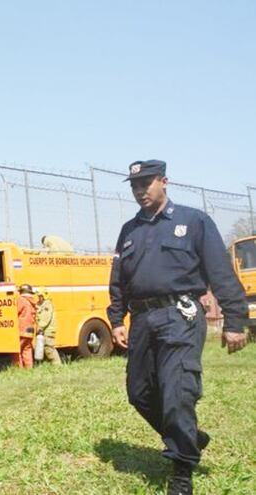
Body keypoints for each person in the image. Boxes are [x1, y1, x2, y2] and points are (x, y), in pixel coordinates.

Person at [107, 159, 248, 495]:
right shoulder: (129, 230)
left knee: (176, 392)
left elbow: (220, 271)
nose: (140, 191)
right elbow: (118, 281)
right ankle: (191, 436)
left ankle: (182, 469)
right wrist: (116, 319)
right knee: (139, 393)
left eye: (146, 183)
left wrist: (235, 320)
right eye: (135, 186)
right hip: (142, 319)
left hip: (179, 315)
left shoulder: (193, 221)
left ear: (164, 182)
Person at [36, 288, 61, 365]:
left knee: (49, 348)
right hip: (44, 330)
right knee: (46, 348)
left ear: (44, 296)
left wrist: (40, 327)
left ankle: (57, 365)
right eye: (38, 296)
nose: (39, 298)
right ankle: (52, 364)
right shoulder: (41, 304)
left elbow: (45, 318)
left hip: (48, 330)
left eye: (41, 296)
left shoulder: (47, 304)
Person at [14, 284, 37, 369]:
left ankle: (18, 368)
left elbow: (15, 311)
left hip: (22, 328)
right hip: (30, 329)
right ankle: (29, 368)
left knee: (16, 350)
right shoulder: (32, 301)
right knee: (27, 349)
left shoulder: (21, 300)